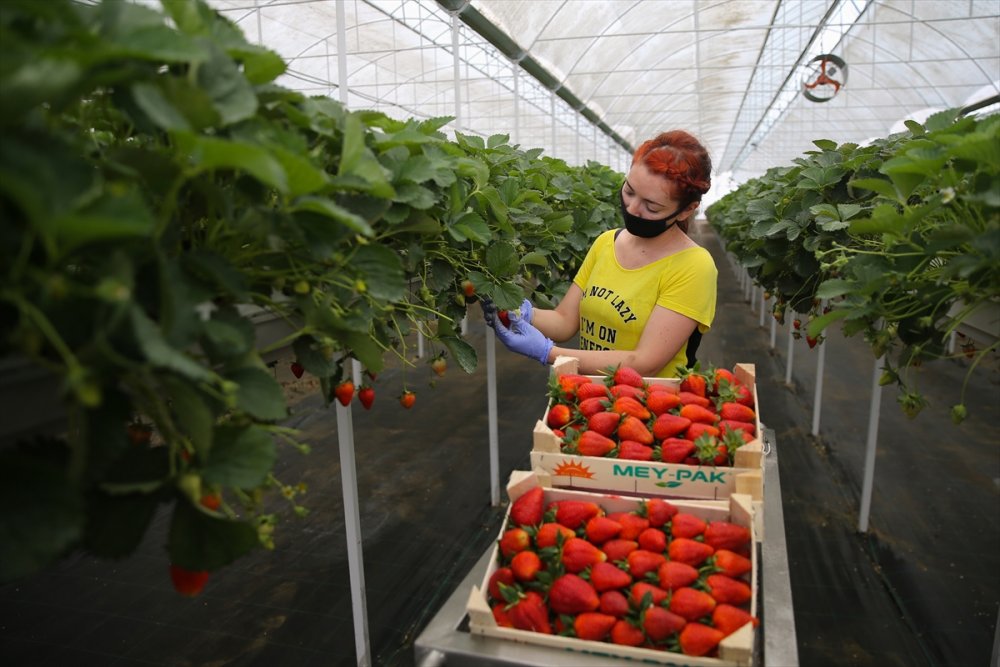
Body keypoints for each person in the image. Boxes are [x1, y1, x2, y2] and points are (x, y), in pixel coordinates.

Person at [483, 130, 717, 379]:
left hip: (650, 409)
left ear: (687, 210)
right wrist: (523, 312)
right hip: (590, 398)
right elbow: (564, 321)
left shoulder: (693, 265)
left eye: (651, 206)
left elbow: (644, 362)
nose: (633, 208)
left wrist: (549, 353)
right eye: (629, 191)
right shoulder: (606, 242)